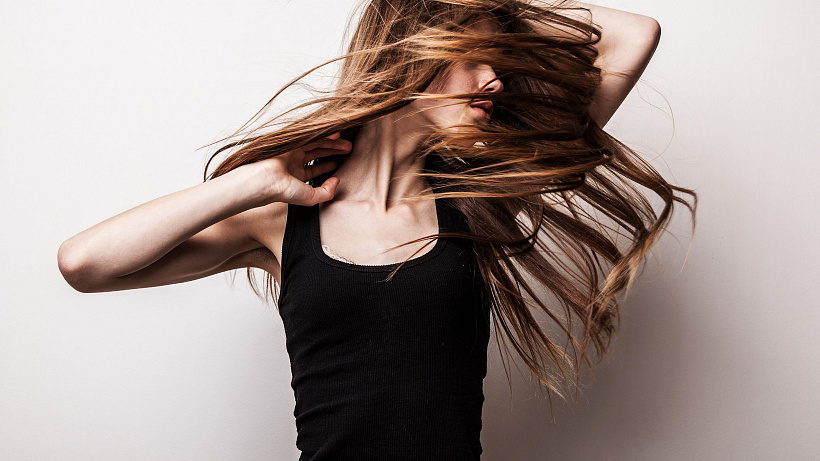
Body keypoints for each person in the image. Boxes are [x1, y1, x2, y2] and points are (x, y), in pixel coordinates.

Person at [57, 0, 696, 459]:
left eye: (497, 63)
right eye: (473, 60)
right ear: (412, 54)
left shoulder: (479, 198)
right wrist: (255, 181)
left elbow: (633, 35)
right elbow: (86, 264)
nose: (495, 81)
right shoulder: (283, 218)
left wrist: (490, 7)